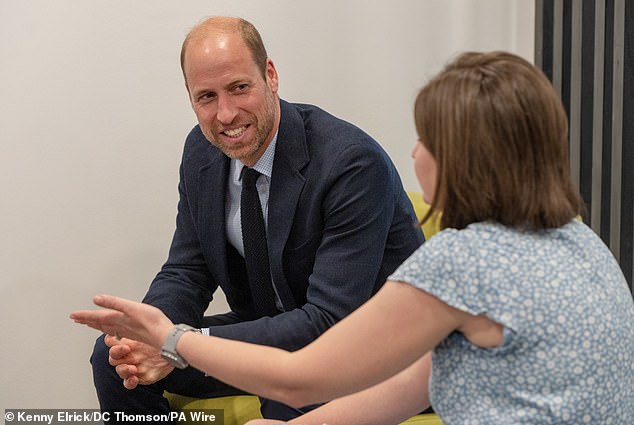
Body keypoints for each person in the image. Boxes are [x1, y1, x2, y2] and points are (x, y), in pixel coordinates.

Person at [74, 51, 634, 424]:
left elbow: (301, 378)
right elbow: (421, 381)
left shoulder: (461, 261)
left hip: (327, 342)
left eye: (424, 140)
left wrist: (173, 341)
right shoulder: (581, 243)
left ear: (466, 161)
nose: (413, 154)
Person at [88, 15, 424, 422]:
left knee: (286, 392)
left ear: (270, 75)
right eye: (206, 97)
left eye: (239, 88)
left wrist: (179, 341)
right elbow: (187, 271)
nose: (225, 114)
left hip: (365, 350)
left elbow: (330, 321)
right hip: (270, 333)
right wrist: (149, 337)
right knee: (113, 359)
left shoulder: (349, 162)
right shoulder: (200, 151)